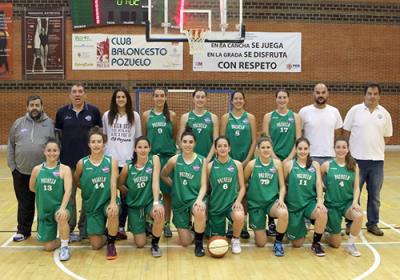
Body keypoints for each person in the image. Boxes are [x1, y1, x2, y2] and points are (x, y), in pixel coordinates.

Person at [343, 83, 393, 236]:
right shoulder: (355, 110)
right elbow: (345, 132)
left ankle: (372, 224)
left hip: (377, 162)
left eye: (375, 93)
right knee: (353, 195)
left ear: (379, 95)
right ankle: (351, 223)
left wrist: (374, 149)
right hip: (356, 161)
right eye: (370, 93)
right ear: (364, 95)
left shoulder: (384, 114)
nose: (372, 96)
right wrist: (349, 155)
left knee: (375, 196)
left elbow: (387, 137)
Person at [55, 83, 102, 241]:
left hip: (88, 163)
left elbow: (98, 137)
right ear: (70, 95)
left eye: (80, 91)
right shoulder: (62, 112)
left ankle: (84, 229)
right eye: (74, 92)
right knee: (70, 197)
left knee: (88, 197)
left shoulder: (94, 112)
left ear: (85, 95)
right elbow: (58, 137)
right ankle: (71, 227)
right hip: (68, 163)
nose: (77, 94)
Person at [7, 95, 55, 242]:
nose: (34, 108)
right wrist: (13, 167)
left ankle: (44, 230)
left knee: (43, 203)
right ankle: (23, 230)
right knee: (24, 203)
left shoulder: (50, 124)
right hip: (21, 172)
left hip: (43, 172)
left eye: (37, 105)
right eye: (32, 105)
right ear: (27, 107)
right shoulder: (18, 124)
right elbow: (11, 145)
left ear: (42, 107)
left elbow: (56, 146)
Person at [161, 127, 207, 257]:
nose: (187, 145)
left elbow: (204, 185)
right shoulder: (174, 160)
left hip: (194, 199)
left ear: (195, 144)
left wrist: (199, 200)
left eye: (190, 142)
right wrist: (174, 185)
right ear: (180, 143)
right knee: (185, 242)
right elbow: (163, 175)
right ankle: (195, 230)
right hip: (179, 202)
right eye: (185, 142)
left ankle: (199, 243)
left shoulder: (201, 160)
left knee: (199, 210)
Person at [103, 87, 142, 240]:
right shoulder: (107, 115)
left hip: (127, 162)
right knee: (110, 195)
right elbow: (104, 138)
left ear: (127, 99)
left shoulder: (135, 116)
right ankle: (108, 226)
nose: (120, 99)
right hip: (112, 161)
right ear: (114, 99)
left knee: (126, 195)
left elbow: (138, 138)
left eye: (123, 97)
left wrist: (136, 158)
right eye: (118, 97)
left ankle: (121, 227)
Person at [74, 127, 119, 260]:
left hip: (107, 201)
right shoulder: (82, 163)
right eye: (93, 142)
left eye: (99, 141)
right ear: (89, 144)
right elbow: (77, 181)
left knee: (112, 211)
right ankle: (107, 234)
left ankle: (111, 243)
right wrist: (90, 191)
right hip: (93, 206)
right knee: (95, 244)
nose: (96, 144)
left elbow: (113, 183)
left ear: (104, 144)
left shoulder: (111, 161)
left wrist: (112, 202)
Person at [262, 89, 301, 236]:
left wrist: (289, 158)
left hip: (290, 159)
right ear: (275, 99)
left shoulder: (295, 117)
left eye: (284, 97)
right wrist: (275, 157)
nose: (282, 100)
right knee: (273, 188)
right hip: (272, 157)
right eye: (279, 97)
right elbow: (266, 140)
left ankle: (289, 220)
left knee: (289, 188)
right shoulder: (269, 116)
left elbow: (298, 139)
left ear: (288, 99)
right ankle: (271, 222)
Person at [117, 137, 164, 257]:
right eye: (140, 147)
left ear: (150, 148)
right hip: (135, 205)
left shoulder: (154, 159)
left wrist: (156, 203)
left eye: (145, 147)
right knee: (140, 243)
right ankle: (146, 225)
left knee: (159, 212)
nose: (143, 150)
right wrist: (129, 192)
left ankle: (155, 244)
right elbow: (119, 184)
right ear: (135, 149)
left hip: (149, 202)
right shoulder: (128, 167)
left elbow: (155, 182)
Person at [220, 90, 256, 239]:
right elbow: (221, 139)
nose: (238, 101)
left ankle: (244, 224)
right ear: (232, 101)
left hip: (246, 160)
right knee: (229, 189)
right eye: (236, 98)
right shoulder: (226, 118)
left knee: (244, 190)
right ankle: (230, 223)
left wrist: (247, 159)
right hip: (229, 160)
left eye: (241, 98)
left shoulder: (250, 118)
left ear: (244, 101)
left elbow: (254, 140)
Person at [244, 136, 288, 257]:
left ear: (271, 149)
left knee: (283, 212)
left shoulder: (277, 164)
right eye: (263, 147)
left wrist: (281, 199)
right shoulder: (252, 165)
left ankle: (278, 242)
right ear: (258, 149)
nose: (266, 150)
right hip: (256, 205)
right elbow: (243, 182)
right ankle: (262, 227)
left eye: (268, 147)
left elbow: (282, 186)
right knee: (261, 243)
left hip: (271, 203)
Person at [283, 137, 328, 256]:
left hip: (309, 203)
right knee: (297, 244)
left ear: (309, 150)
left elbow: (319, 184)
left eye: (305, 149)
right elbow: (282, 185)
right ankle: (300, 224)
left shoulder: (315, 165)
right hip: (294, 206)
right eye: (300, 149)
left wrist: (320, 201)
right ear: (296, 150)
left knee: (322, 212)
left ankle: (316, 244)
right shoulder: (289, 165)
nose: (303, 151)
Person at [142, 88, 177, 238]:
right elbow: (144, 137)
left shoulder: (172, 115)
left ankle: (167, 223)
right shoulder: (146, 115)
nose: (159, 98)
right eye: (156, 96)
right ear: (153, 98)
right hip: (152, 158)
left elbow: (174, 137)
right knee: (151, 192)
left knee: (168, 194)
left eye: (162, 96)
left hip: (167, 158)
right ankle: (150, 222)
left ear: (165, 98)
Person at [29, 140, 72, 261]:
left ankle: (64, 247)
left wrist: (63, 208)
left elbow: (68, 191)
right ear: (44, 152)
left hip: (61, 206)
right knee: (48, 247)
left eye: (55, 150)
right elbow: (32, 188)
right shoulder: (37, 170)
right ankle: (62, 239)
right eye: (49, 150)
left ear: (59, 152)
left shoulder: (64, 169)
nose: (52, 153)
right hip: (45, 210)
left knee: (62, 216)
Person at [321, 137, 363, 256]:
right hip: (332, 205)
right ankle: (328, 232)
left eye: (344, 147)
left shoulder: (353, 166)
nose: (341, 150)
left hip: (347, 204)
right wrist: (324, 187)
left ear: (348, 149)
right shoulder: (327, 165)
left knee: (359, 216)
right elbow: (317, 179)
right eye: (338, 147)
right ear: (334, 149)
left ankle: (351, 244)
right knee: (336, 244)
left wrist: (355, 202)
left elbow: (356, 187)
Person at [207, 136, 245, 254]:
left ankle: (235, 239)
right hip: (216, 207)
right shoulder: (209, 166)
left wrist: (238, 201)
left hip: (230, 205)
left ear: (229, 148)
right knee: (217, 242)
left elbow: (243, 187)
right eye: (219, 146)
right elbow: (207, 189)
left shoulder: (237, 164)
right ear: (215, 150)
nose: (222, 148)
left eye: (225, 146)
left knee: (239, 215)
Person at [299, 83, 343, 165]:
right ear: (313, 94)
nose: (320, 95)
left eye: (323, 92)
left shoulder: (334, 111)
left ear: (327, 94)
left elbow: (338, 135)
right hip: (309, 156)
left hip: (330, 156)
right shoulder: (304, 111)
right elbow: (299, 135)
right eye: (318, 93)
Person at [178, 89, 219, 162]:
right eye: (197, 97)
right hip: (189, 159)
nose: (200, 99)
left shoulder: (213, 117)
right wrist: (189, 157)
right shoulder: (185, 117)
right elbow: (180, 140)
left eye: (202, 97)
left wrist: (207, 160)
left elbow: (216, 141)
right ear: (193, 99)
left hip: (207, 159)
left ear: (206, 99)